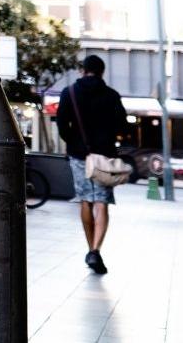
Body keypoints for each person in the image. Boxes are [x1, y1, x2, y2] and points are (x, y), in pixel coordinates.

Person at [56, 54, 128, 275]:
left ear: (82, 71)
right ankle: (95, 250)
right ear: (102, 72)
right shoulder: (112, 96)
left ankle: (90, 249)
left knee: (86, 200)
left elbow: (61, 124)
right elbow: (123, 126)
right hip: (105, 156)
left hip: (80, 155)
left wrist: (75, 143)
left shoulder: (70, 93)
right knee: (102, 202)